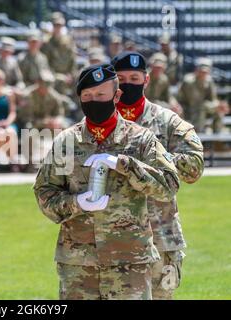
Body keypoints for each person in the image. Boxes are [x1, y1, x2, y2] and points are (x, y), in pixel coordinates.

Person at [33, 64, 180, 300]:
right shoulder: (66, 142)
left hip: (130, 263)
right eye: (87, 96)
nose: (93, 101)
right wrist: (77, 202)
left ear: (117, 95)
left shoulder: (141, 140)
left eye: (100, 95)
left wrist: (125, 165)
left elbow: (169, 185)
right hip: (79, 266)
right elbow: (44, 194)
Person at [112, 51, 204, 299]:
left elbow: (195, 167)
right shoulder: (98, 123)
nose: (128, 84)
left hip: (160, 236)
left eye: (134, 77)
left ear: (146, 80)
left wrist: (154, 160)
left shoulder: (167, 121)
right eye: (121, 78)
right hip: (111, 238)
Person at [178, 57, 229, 133]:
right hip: (187, 109)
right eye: (201, 71)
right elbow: (195, 103)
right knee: (202, 108)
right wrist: (213, 106)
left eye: (205, 71)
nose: (203, 73)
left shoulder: (209, 81)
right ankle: (198, 133)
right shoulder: (189, 81)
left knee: (219, 110)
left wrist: (218, 106)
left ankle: (217, 135)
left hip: (203, 108)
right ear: (196, 70)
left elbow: (212, 99)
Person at [41, 12, 77, 96]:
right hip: (52, 75)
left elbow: (73, 60)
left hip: (68, 75)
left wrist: (71, 74)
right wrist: (58, 76)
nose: (58, 28)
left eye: (60, 25)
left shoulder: (68, 41)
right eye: (55, 25)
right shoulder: (46, 42)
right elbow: (45, 63)